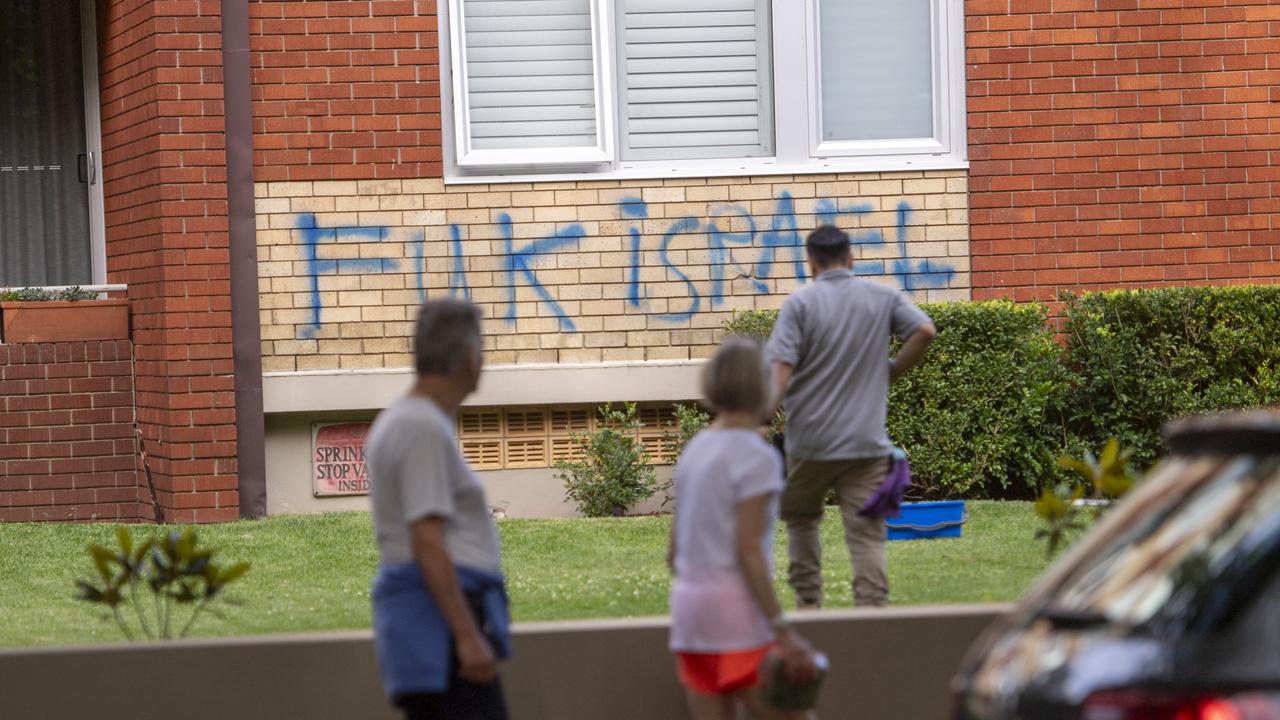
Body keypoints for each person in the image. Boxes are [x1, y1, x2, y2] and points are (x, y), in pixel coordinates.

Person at [767, 225, 936, 609]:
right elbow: (924, 330)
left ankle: (809, 607)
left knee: (803, 523)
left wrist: (762, 417)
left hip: (808, 444)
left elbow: (780, 369)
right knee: (866, 537)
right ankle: (870, 617)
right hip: (865, 445)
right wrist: (892, 369)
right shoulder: (882, 296)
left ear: (810, 263)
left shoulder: (800, 304)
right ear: (851, 258)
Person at [366, 298, 511, 720]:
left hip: (434, 622)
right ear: (469, 355)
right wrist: (467, 636)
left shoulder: (408, 420)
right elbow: (426, 538)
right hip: (442, 625)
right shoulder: (420, 427)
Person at [668, 337, 820, 720]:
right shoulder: (757, 456)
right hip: (738, 620)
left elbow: (674, 553)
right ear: (762, 385)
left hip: (689, 618)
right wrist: (783, 630)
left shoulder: (696, 449)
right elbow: (747, 550)